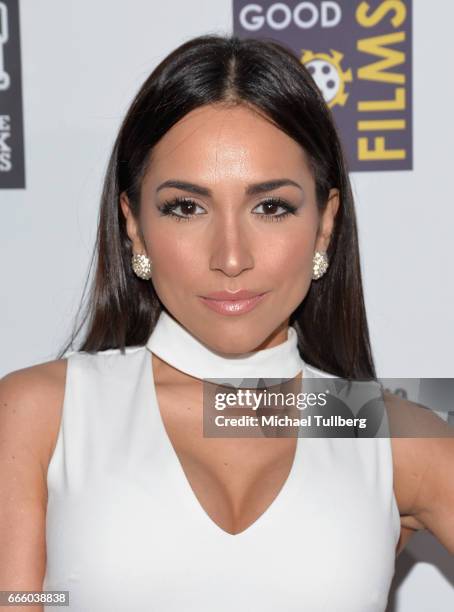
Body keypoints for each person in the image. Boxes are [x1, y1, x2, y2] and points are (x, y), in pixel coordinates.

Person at [0, 34, 453, 612]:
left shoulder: (377, 423)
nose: (231, 257)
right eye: (186, 207)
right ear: (134, 226)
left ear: (324, 225)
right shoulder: (42, 411)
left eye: (271, 206)